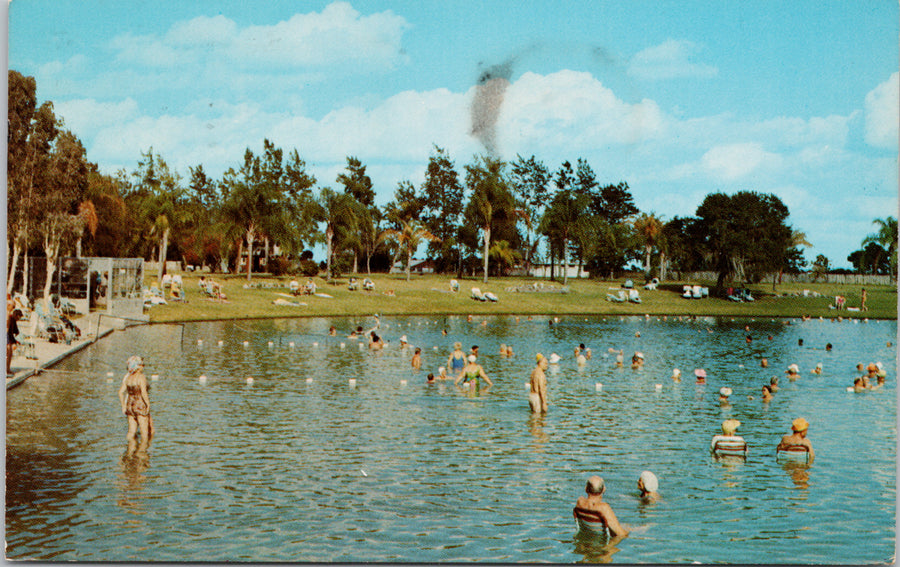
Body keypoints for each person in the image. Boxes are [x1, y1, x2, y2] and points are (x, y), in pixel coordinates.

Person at [118, 356, 153, 445]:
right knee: (144, 433)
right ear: (137, 366)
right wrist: (148, 404)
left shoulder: (128, 378)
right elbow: (143, 393)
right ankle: (142, 454)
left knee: (131, 432)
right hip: (140, 403)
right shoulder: (141, 377)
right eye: (142, 365)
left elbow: (120, 392)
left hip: (130, 404)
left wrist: (123, 405)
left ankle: (129, 453)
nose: (143, 367)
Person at [7, 309, 23, 375]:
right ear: (16, 315)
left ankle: (7, 369)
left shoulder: (13, 320)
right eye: (19, 317)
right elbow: (9, 332)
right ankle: (7, 370)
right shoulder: (10, 319)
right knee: (8, 354)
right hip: (7, 338)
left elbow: (16, 331)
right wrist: (14, 341)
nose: (19, 319)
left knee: (10, 355)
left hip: (9, 338)